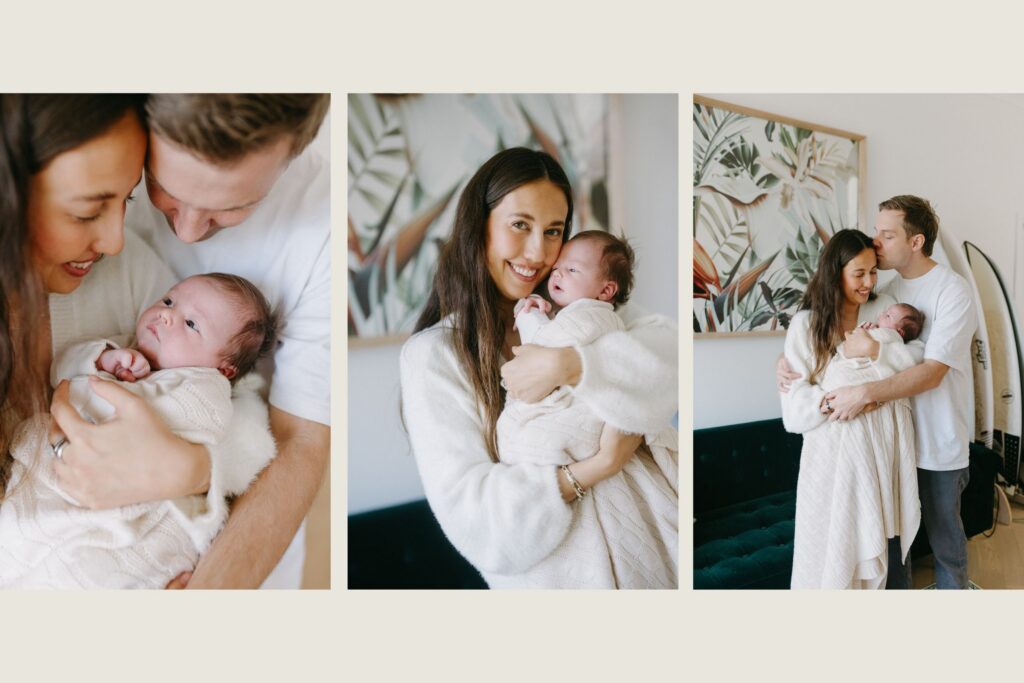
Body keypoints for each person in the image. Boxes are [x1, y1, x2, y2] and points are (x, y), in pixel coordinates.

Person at [50, 94, 331, 588]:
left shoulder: (321, 224)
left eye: (235, 206)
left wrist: (195, 472)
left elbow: (301, 444)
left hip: (226, 546)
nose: (187, 230)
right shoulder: (94, 144)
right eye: (157, 187)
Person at [400, 147, 679, 589]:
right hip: (560, 578)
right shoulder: (433, 355)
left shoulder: (579, 315)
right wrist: (599, 464)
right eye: (520, 225)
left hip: (653, 554)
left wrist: (570, 363)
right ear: (480, 227)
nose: (538, 252)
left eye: (553, 231)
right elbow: (474, 514)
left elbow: (671, 354)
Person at [0, 274, 277, 588]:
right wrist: (102, 358)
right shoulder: (126, 346)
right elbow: (61, 372)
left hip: (137, 503)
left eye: (190, 324)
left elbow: (191, 426)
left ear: (223, 370)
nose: (166, 314)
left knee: (87, 569)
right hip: (58, 474)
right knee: (16, 529)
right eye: (169, 301)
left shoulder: (204, 389)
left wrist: (132, 396)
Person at [779, 196, 977, 589]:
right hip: (874, 452)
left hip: (934, 440)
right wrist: (784, 365)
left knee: (944, 545)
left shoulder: (950, 292)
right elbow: (809, 368)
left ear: (916, 241)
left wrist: (864, 382)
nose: (878, 242)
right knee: (887, 555)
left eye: (886, 234)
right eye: (876, 234)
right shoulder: (886, 292)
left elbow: (930, 370)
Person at [780, 229, 920, 589]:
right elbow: (794, 410)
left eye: (873, 271)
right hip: (830, 456)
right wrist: (834, 399)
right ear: (835, 272)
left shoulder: (884, 310)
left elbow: (916, 363)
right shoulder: (805, 325)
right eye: (858, 274)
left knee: (882, 555)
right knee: (831, 559)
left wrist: (871, 378)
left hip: (879, 453)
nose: (868, 282)